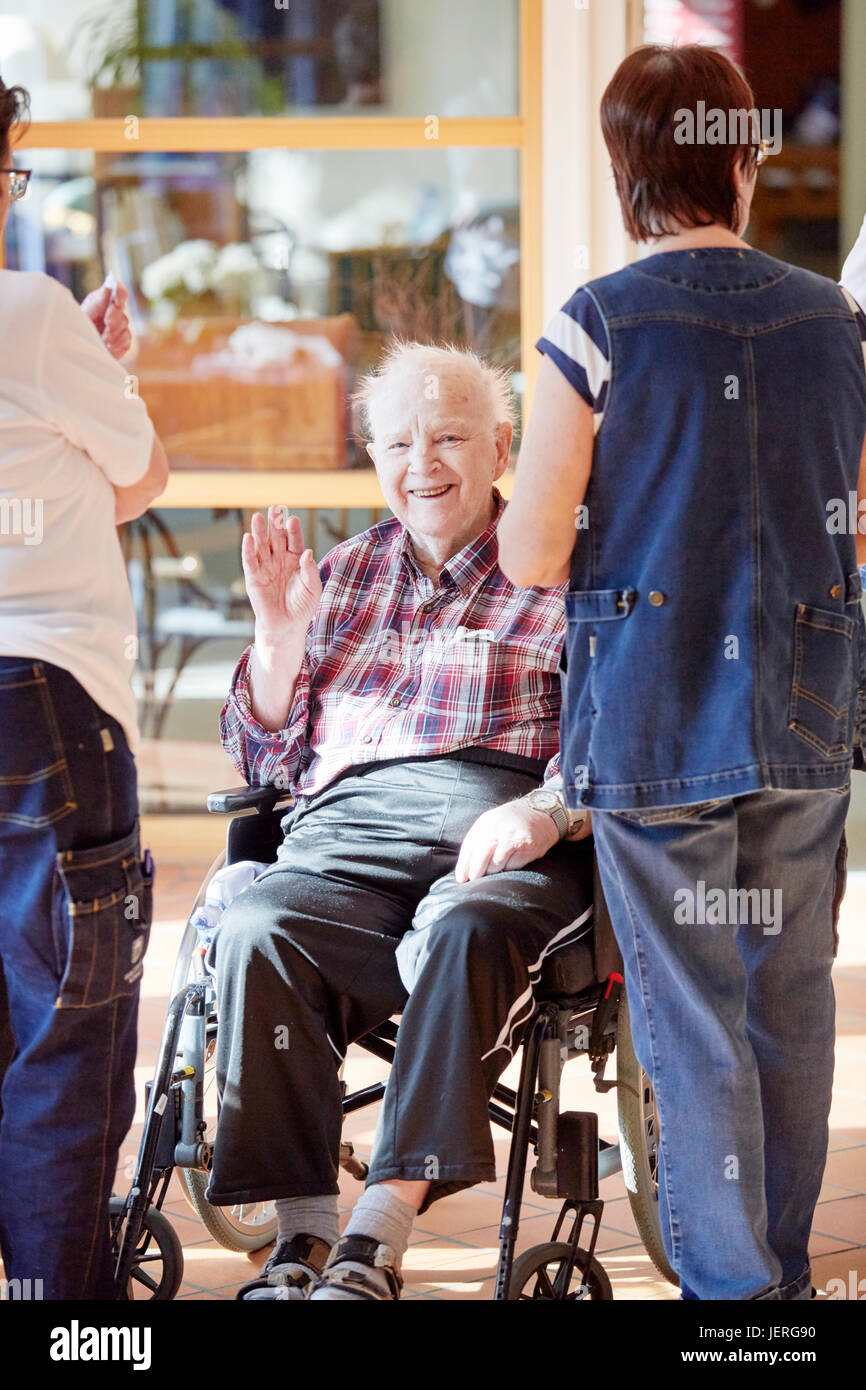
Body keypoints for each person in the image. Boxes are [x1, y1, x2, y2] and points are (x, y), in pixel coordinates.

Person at [498, 43, 866, 1302]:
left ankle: (737, 1299)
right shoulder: (835, 320)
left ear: (623, 169)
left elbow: (535, 549)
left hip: (657, 706)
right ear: (740, 161)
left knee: (694, 1011)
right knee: (787, 994)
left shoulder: (594, 324)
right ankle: (779, 1278)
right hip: (806, 697)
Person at [210, 341, 594, 1301]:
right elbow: (264, 758)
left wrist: (547, 811)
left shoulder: (560, 566)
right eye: (399, 443)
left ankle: (374, 1237)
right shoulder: (339, 576)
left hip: (497, 832)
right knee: (257, 924)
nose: (422, 462)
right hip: (345, 836)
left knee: (466, 929)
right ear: (373, 457)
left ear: (502, 446)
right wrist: (276, 636)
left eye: (451, 436)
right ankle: (300, 1238)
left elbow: (622, 731)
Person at [0, 77, 168, 1300]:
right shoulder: (28, 313)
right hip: (42, 698)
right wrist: (102, 372)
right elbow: (139, 479)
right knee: (65, 1028)